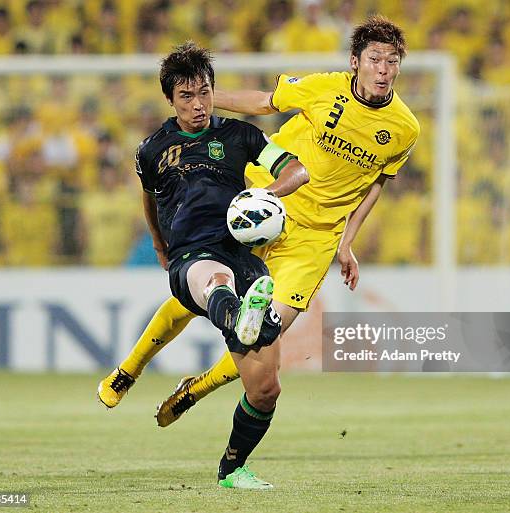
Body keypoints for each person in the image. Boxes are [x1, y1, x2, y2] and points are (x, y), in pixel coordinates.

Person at [98, 15, 419, 426]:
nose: (384, 69)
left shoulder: (405, 128)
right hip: (260, 203)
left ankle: (195, 389)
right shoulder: (324, 87)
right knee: (199, 289)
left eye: (392, 61)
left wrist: (347, 242)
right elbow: (266, 102)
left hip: (316, 238)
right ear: (355, 61)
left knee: (265, 331)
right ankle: (129, 369)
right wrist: (207, 101)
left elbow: (376, 184)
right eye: (375, 58)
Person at [105, 42, 308, 489]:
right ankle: (240, 314)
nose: (197, 105)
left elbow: (299, 171)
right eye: (186, 97)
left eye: (204, 93)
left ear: (213, 90)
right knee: (213, 278)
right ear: (171, 100)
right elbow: (149, 200)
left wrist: (266, 195)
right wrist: (159, 245)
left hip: (243, 255)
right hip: (191, 256)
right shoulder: (153, 149)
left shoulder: (242, 136)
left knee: (265, 389)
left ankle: (232, 469)